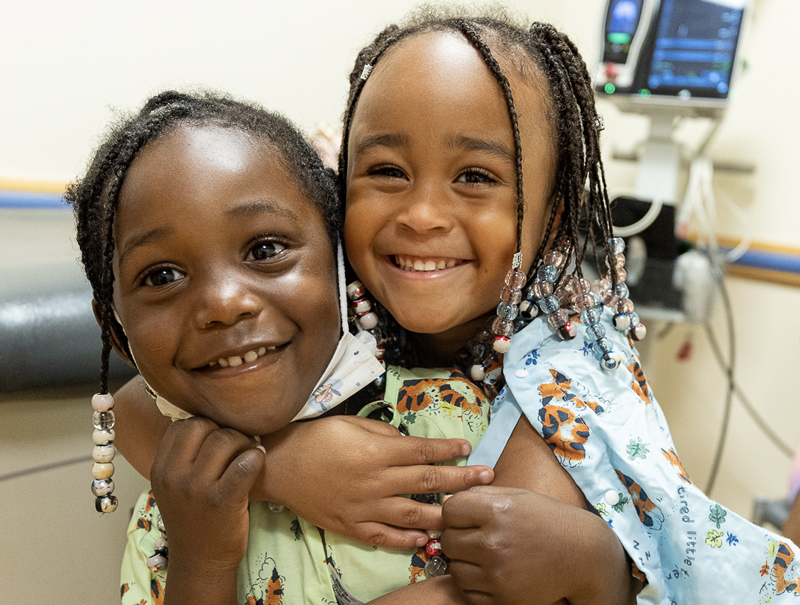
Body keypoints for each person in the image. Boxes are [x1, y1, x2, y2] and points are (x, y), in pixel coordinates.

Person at [109, 6, 800, 603]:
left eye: (474, 177)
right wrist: (281, 465)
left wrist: (600, 568)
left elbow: (472, 588)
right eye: (385, 171)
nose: (421, 214)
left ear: (552, 216)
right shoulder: (330, 305)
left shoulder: (562, 387)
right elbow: (137, 410)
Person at [71, 90, 634, 604]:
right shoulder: (179, 514)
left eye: (266, 248)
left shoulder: (459, 427)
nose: (224, 303)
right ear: (117, 332)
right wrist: (204, 559)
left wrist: (597, 564)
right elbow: (127, 408)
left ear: (340, 260)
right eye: (163, 275)